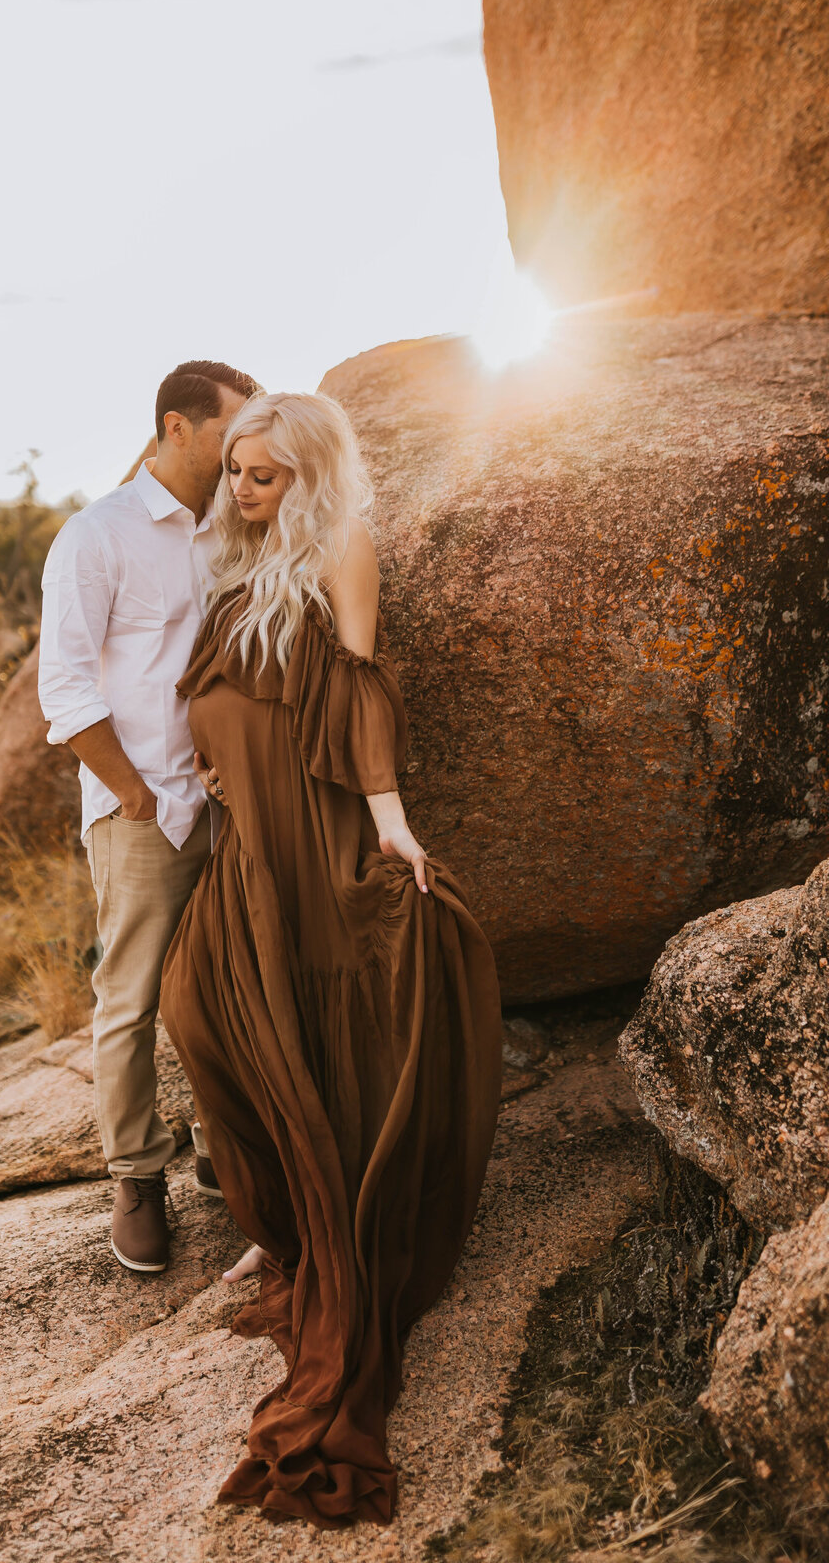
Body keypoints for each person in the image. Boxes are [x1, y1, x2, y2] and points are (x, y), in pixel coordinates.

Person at [159, 390, 503, 1528]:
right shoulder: (245, 560)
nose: (243, 491)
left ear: (308, 473)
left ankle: (345, 1230)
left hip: (313, 830)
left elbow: (359, 690)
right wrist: (209, 766)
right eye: (238, 474)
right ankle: (304, 1222)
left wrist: (393, 821)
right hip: (248, 836)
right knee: (199, 1009)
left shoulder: (342, 544)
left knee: (301, 1011)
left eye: (263, 476)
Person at [37, 359, 261, 1275]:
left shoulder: (230, 528)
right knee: (129, 1000)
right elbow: (66, 686)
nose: (241, 452)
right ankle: (136, 1177)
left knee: (219, 980)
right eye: (228, 435)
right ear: (176, 428)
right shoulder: (98, 537)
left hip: (225, 800)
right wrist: (131, 791)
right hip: (139, 806)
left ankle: (222, 1152)